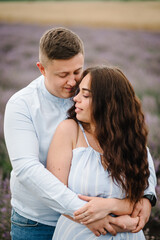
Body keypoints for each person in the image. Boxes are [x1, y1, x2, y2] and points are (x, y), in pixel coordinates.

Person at [3, 27, 156, 240]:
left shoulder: (89, 93)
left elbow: (130, 140)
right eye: (63, 75)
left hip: (100, 219)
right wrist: (90, 215)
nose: (72, 82)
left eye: (77, 71)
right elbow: (28, 169)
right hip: (37, 222)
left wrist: (147, 196)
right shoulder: (22, 105)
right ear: (42, 69)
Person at [47, 65, 157, 239]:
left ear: (108, 102)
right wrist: (114, 222)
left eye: (85, 94)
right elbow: (54, 195)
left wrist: (110, 205)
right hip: (79, 234)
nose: (75, 98)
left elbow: (141, 203)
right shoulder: (69, 130)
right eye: (78, 92)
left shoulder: (133, 142)